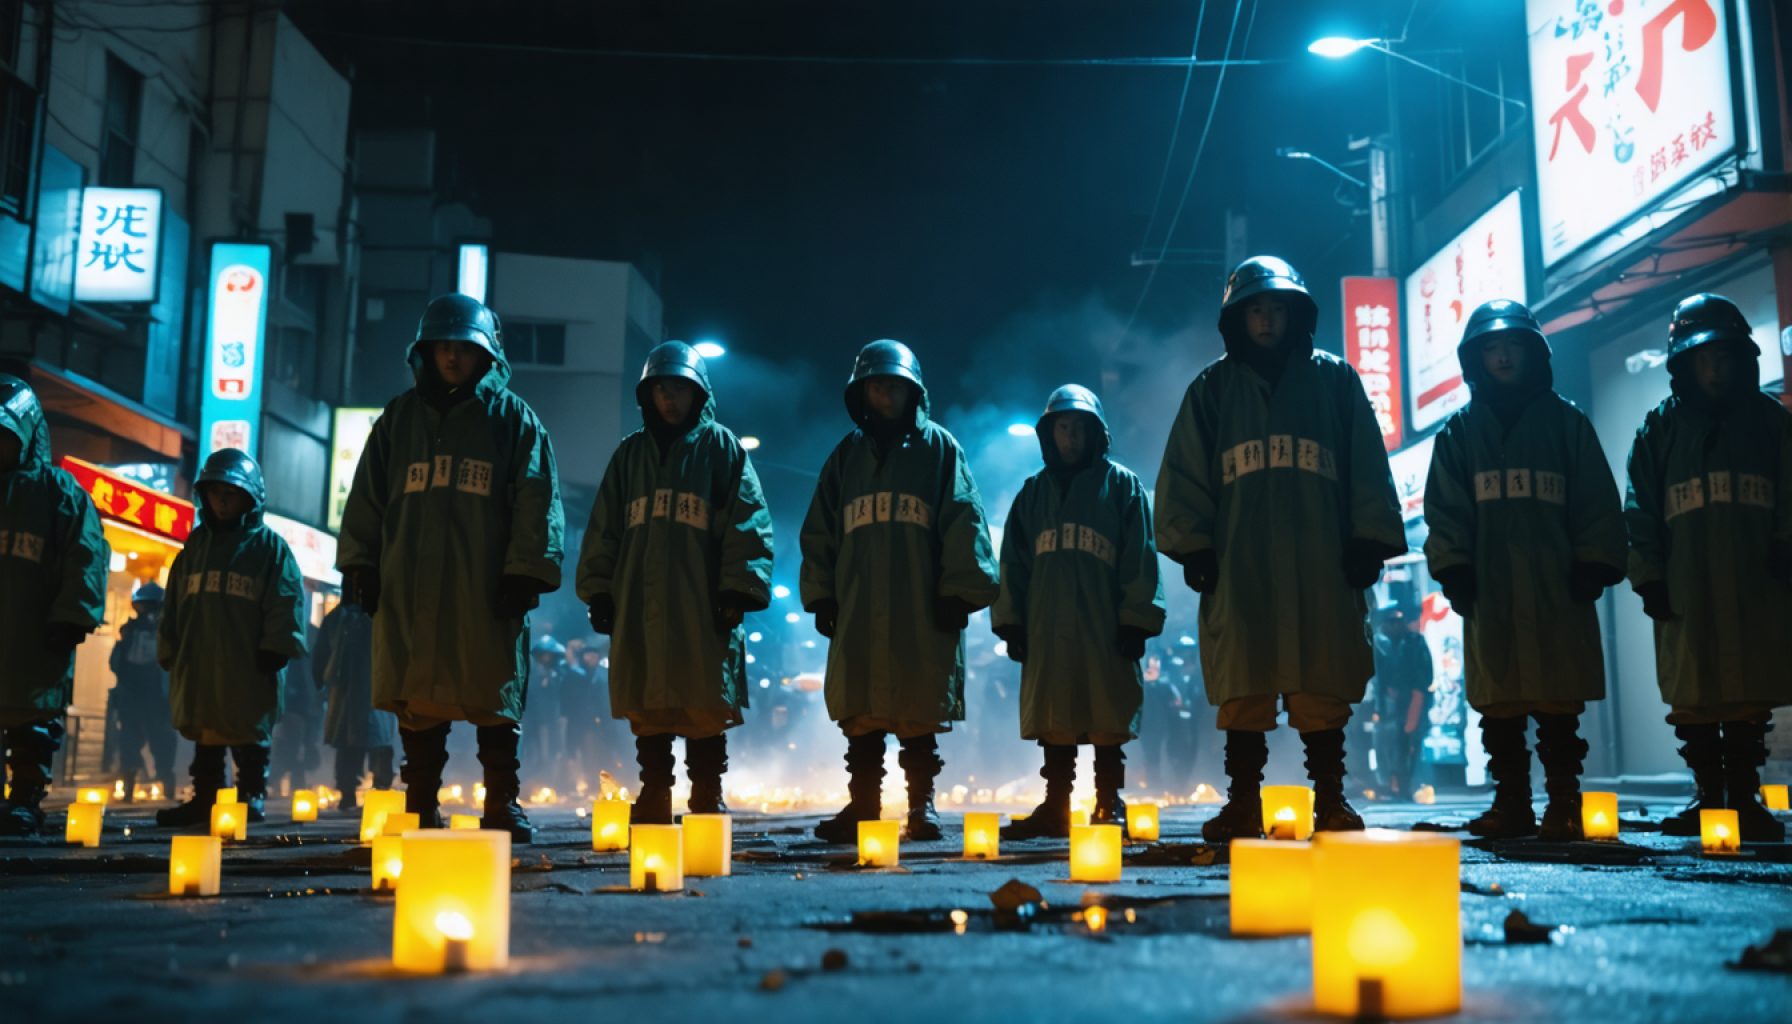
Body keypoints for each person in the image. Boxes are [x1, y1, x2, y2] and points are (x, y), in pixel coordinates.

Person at [1155, 257, 1405, 841]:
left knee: (1322, 685)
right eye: (1255, 310)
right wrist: (1195, 547)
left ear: (1296, 315)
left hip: (1322, 563)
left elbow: (1366, 462)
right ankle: (1243, 802)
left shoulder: (1335, 381)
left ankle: (1332, 802)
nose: (1266, 320)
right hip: (1239, 566)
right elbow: (1184, 474)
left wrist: (1368, 538)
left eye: (1277, 309)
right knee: (1244, 687)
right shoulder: (1211, 392)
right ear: (1237, 319)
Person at [337, 293, 565, 842]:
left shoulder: (514, 421)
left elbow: (537, 499)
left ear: (485, 353)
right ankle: (419, 803)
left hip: (483, 586)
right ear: (426, 352)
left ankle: (501, 802)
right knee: (419, 702)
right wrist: (361, 563)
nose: (452, 358)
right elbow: (367, 495)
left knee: (493, 697)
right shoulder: (398, 419)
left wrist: (526, 571)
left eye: (463, 347)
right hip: (411, 584)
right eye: (443, 347)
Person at [1423, 300, 1624, 838]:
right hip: (1492, 588)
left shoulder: (1567, 424)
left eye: (1512, 345)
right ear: (1476, 358)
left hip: (1558, 585)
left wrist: (1595, 561)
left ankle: (1563, 800)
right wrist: (1454, 568)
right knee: (1501, 703)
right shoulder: (1459, 434)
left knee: (1559, 703)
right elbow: (1444, 510)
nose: (1503, 355)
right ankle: (1511, 801)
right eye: (1492, 347)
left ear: (1533, 352)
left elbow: (1596, 500)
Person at [801, 340, 1000, 843]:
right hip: (860, 605)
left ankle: (921, 807)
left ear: (912, 392)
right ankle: (863, 805)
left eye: (892, 386)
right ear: (860, 393)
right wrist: (822, 594)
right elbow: (820, 532)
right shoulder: (844, 459)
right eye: (874, 386)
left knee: (918, 713)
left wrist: (960, 590)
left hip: (920, 606)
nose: (883, 395)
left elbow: (964, 520)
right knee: (862, 716)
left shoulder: (940, 451)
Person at [578, 341, 773, 824]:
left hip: (702, 603)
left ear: (697, 394)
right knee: (650, 706)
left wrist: (737, 589)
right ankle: (655, 793)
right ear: (648, 396)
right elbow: (604, 530)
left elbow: (748, 522)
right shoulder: (629, 458)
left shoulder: (722, 450)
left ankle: (706, 793)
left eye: (679, 390)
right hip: (641, 602)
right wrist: (599, 590)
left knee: (704, 703)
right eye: (661, 389)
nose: (669, 399)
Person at [1625, 293, 1792, 843]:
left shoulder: (1773, 425)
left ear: (1744, 359)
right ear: (1684, 363)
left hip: (1756, 581)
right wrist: (1646, 572)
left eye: (1724, 356)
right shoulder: (1659, 432)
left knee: (1748, 692)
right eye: (1704, 358)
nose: (1715, 368)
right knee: (1694, 693)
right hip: (1686, 586)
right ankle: (1708, 794)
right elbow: (1639, 511)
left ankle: (1743, 797)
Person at [993, 385, 1165, 839]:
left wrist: (1136, 618)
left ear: (1096, 434)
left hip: (1104, 624)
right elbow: (1013, 561)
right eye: (1062, 428)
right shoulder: (1032, 494)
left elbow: (1140, 557)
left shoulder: (1123, 487)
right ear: (1049, 435)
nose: (1070, 438)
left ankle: (1109, 800)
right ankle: (1057, 805)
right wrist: (1011, 620)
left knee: (1108, 716)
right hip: (1048, 625)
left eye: (1079, 429)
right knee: (1056, 716)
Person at [154, 449, 307, 826]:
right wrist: (169, 644)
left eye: (232, 492)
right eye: (215, 491)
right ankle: (205, 796)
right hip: (201, 659)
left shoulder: (270, 549)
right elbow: (173, 601)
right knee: (206, 733)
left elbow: (285, 598)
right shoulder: (194, 547)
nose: (222, 500)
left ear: (250, 497)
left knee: (249, 733)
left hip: (248, 661)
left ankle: (250, 794)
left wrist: (276, 645)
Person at [0, 374, 108, 836]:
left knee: (32, 726)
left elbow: (86, 556)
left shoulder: (59, 494)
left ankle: (25, 798)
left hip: (34, 638)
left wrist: (72, 615)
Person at [310, 599, 397, 810]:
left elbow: (321, 655)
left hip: (367, 689)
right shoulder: (342, 618)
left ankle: (371, 792)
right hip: (353, 690)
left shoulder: (346, 617)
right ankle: (353, 792)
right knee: (358, 743)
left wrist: (321, 680)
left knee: (371, 743)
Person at [108, 583, 178, 801]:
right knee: (130, 741)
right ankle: (129, 783)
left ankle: (165, 781)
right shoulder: (129, 632)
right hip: (133, 695)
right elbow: (117, 663)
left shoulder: (168, 633)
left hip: (156, 696)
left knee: (161, 741)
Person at [1367, 600, 1433, 801]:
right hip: (1388, 703)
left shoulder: (1415, 642)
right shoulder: (1380, 644)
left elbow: (1425, 672)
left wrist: (1415, 692)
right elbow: (1378, 675)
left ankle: (1406, 785)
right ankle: (1392, 784)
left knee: (1410, 743)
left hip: (1412, 700)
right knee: (1388, 744)